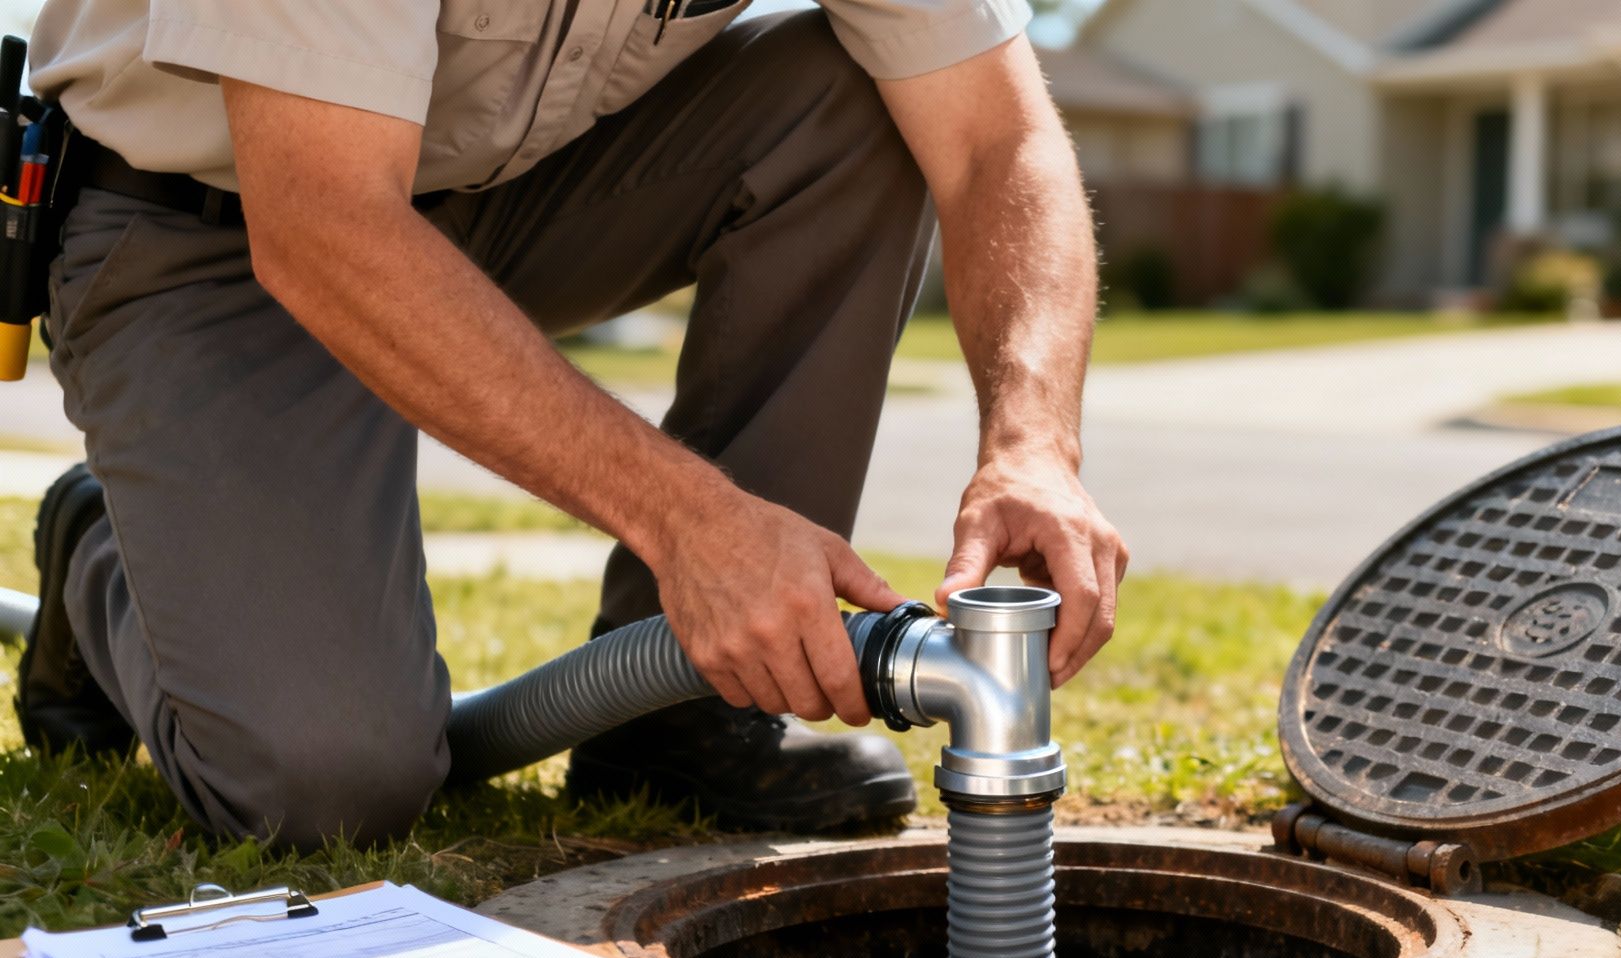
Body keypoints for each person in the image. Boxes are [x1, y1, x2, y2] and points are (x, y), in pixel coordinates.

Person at [11, 0, 1125, 849]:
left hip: (504, 195)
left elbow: (992, 140)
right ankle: (98, 557)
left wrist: (1032, 441)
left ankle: (686, 716)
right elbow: (323, 222)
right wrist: (693, 523)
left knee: (852, 104)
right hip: (211, 226)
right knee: (323, 781)